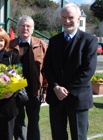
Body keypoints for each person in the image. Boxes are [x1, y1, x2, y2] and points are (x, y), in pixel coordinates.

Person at [43, 3, 98, 140]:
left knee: (79, 136)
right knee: (58, 135)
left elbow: (88, 70)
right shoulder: (54, 41)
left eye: (70, 17)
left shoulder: (89, 40)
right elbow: (47, 67)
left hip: (78, 98)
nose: (67, 21)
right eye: (64, 17)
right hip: (56, 98)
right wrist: (55, 87)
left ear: (79, 18)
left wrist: (66, 90)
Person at [9, 15, 47, 140]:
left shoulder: (41, 44)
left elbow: (47, 68)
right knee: (18, 122)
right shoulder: (10, 45)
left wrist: (45, 90)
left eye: (28, 26)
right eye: (22, 25)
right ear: (17, 28)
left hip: (34, 90)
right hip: (16, 90)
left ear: (33, 28)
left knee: (34, 121)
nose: (25, 28)